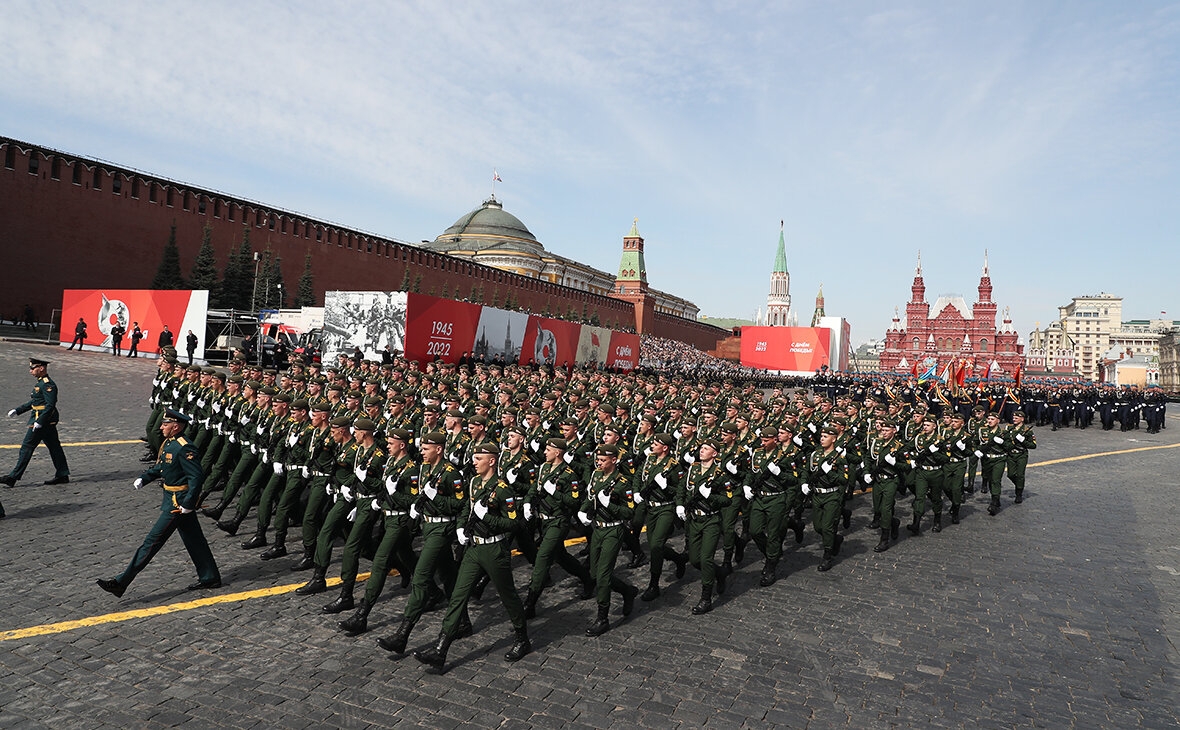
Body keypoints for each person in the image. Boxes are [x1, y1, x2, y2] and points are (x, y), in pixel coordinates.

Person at [413, 442, 532, 674]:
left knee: (508, 596)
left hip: (494, 550)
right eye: (474, 457)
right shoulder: (475, 483)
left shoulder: (503, 489)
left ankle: (522, 638)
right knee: (458, 596)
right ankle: (440, 650)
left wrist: (488, 518)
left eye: (479, 458)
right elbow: (466, 510)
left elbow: (514, 524)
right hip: (474, 549)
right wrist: (462, 528)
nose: (474, 462)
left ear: (492, 461)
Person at [96, 409, 221, 597]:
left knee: (151, 542)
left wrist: (188, 502)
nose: (161, 427)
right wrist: (145, 478)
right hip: (171, 499)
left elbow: (196, 477)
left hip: (177, 504)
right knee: (195, 541)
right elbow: (162, 466)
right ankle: (210, 576)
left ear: (175, 426)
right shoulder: (170, 442)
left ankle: (121, 582)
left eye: (165, 424)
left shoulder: (184, 446)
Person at [2, 357, 70, 487]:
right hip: (45, 421)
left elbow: (50, 405)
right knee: (55, 448)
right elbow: (35, 402)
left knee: (26, 447)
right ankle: (62, 474)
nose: (30, 371)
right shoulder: (41, 383)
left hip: (42, 421)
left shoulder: (48, 384)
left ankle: (13, 477)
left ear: (41, 368)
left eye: (33, 368)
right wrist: (18, 410)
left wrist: (40, 421)